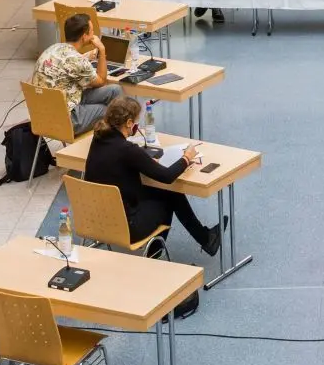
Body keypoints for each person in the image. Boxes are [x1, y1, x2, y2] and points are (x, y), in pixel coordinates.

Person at [83, 95, 223, 256]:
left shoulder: (98, 138)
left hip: (96, 219)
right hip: (126, 226)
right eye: (135, 122)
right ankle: (157, 253)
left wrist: (143, 160)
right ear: (128, 123)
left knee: (160, 193)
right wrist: (187, 157)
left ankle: (205, 238)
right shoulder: (127, 150)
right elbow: (167, 176)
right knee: (172, 194)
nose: (136, 127)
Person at [31, 13, 121, 134]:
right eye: (92, 31)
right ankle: (117, 142)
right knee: (110, 111)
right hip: (67, 119)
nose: (94, 35)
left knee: (115, 90)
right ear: (84, 36)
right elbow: (101, 81)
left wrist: (87, 56)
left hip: (44, 113)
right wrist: (102, 50)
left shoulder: (53, 48)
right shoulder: (78, 61)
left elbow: (68, 63)